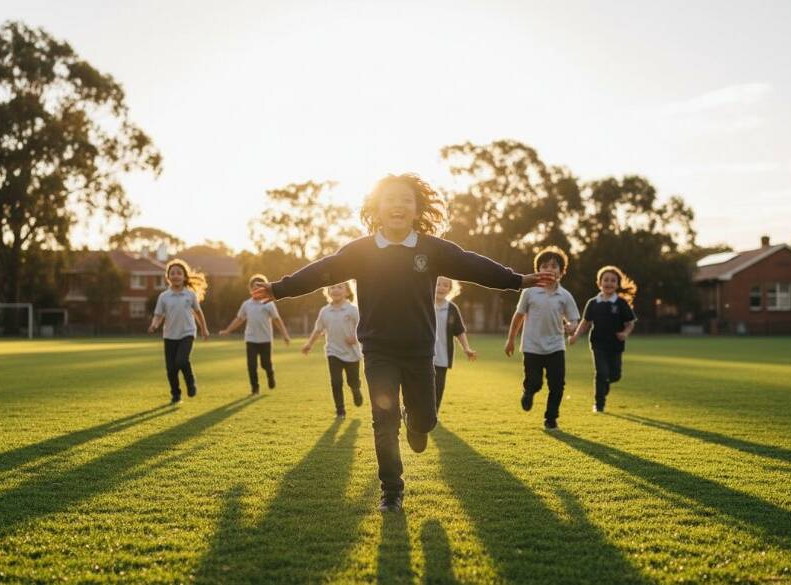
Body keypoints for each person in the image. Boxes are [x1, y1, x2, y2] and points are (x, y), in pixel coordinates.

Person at [253, 173, 555, 513]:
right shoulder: (361, 251)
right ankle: (392, 490)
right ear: (377, 208)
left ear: (417, 209)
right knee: (384, 420)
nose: (397, 205)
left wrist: (515, 280)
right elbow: (323, 270)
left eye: (406, 200)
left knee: (425, 420)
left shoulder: (431, 249)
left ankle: (418, 423)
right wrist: (280, 288)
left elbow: (471, 265)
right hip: (378, 349)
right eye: (390, 199)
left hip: (418, 349)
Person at [504, 246, 579, 429]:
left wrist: (572, 327)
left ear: (561, 272)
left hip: (556, 347)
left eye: (554, 266)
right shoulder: (529, 292)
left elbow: (574, 319)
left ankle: (551, 418)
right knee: (535, 382)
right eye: (544, 266)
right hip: (532, 346)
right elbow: (518, 317)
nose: (549, 269)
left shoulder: (565, 296)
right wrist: (511, 339)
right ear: (538, 271)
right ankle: (528, 391)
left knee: (557, 385)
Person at [569, 265, 638, 413]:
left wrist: (625, 333)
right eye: (605, 280)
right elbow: (586, 322)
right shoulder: (593, 303)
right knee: (601, 372)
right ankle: (599, 404)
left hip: (615, 345)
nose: (609, 283)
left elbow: (630, 323)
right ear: (599, 282)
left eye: (613, 280)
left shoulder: (621, 303)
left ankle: (605, 385)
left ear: (617, 284)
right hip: (597, 343)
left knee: (615, 375)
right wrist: (575, 335)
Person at [148, 259, 210, 404]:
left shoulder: (190, 295)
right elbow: (158, 315)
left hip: (187, 333)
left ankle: (190, 382)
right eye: (172, 273)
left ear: (184, 277)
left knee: (181, 360)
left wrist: (204, 329)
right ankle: (176, 394)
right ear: (168, 276)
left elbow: (198, 313)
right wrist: (154, 325)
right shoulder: (164, 296)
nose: (176, 275)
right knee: (171, 369)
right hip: (169, 335)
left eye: (179, 273)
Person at [219, 274, 291, 395]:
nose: (256, 290)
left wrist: (285, 335)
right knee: (251, 365)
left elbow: (277, 320)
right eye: (254, 287)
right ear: (250, 289)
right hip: (251, 339)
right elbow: (239, 319)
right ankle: (255, 388)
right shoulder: (246, 304)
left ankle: (270, 373)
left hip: (265, 340)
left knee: (265, 364)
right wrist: (228, 330)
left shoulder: (268, 303)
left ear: (265, 288)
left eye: (259, 287)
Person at [302, 281, 364, 418]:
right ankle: (340, 411)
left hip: (352, 353)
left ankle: (356, 389)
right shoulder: (325, 311)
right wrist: (309, 344)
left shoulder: (352, 310)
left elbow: (363, 326)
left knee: (352, 381)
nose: (335, 290)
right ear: (328, 291)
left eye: (339, 287)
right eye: (332, 287)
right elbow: (318, 330)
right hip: (333, 352)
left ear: (347, 291)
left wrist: (355, 336)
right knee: (336, 382)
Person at [432, 276, 476, 412]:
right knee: (422, 387)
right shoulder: (425, 304)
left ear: (450, 289)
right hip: (423, 356)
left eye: (445, 285)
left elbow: (459, 331)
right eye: (438, 284)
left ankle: (433, 415)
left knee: (438, 388)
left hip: (442, 358)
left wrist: (466, 348)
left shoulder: (452, 308)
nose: (441, 288)